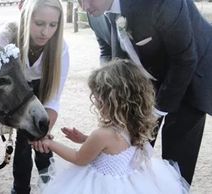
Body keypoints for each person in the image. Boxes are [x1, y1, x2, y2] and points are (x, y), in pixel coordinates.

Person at [79, 0, 212, 185]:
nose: (83, 6)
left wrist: (155, 112)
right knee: (129, 151)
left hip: (190, 73)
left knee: (177, 161)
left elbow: (185, 59)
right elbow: (107, 52)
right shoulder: (95, 15)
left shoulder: (158, 3)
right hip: (145, 83)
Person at [32, 60, 190, 194]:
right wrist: (85, 139)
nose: (95, 101)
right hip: (129, 183)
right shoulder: (133, 123)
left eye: (98, 97)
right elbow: (115, 149)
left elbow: (79, 158)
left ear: (114, 100)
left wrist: (50, 143)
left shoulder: (102, 134)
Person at [0, 0, 70, 193]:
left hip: (42, 90)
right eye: (39, 23)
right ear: (26, 18)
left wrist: (43, 130)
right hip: (14, 92)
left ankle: (48, 186)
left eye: (53, 25)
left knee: (42, 141)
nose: (45, 32)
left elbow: (53, 98)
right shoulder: (7, 35)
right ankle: (22, 188)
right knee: (22, 140)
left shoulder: (60, 48)